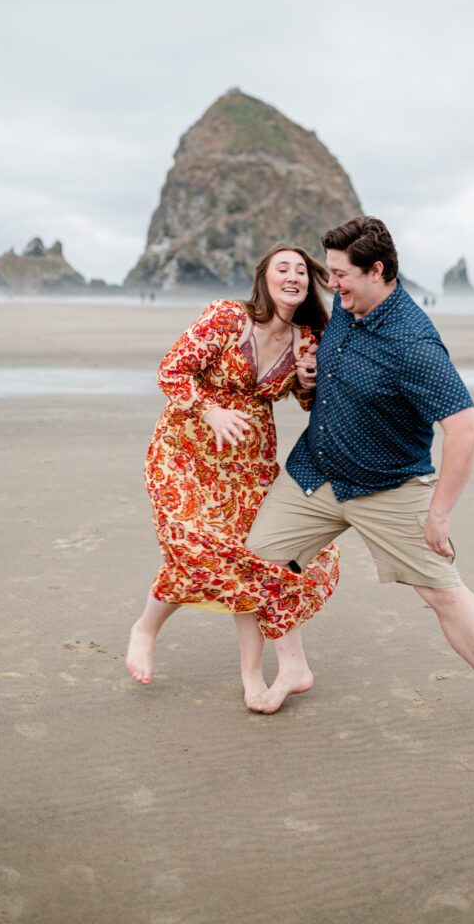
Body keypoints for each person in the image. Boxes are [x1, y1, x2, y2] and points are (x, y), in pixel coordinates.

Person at [246, 217, 474, 737]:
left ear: (377, 270)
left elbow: (465, 430)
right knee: (262, 561)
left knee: (444, 593)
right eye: (330, 273)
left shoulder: (414, 344)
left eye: (341, 274)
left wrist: (439, 514)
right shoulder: (345, 304)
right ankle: (293, 666)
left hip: (388, 485)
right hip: (316, 471)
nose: (332, 285)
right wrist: (311, 377)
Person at [125, 246, 340, 711]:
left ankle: (251, 675)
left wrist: (309, 382)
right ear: (264, 279)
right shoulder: (227, 318)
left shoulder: (309, 337)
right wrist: (212, 409)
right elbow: (171, 371)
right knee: (194, 544)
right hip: (186, 451)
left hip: (247, 463)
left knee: (250, 558)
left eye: (301, 270)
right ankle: (146, 628)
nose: (293, 275)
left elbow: (308, 405)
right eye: (282, 267)